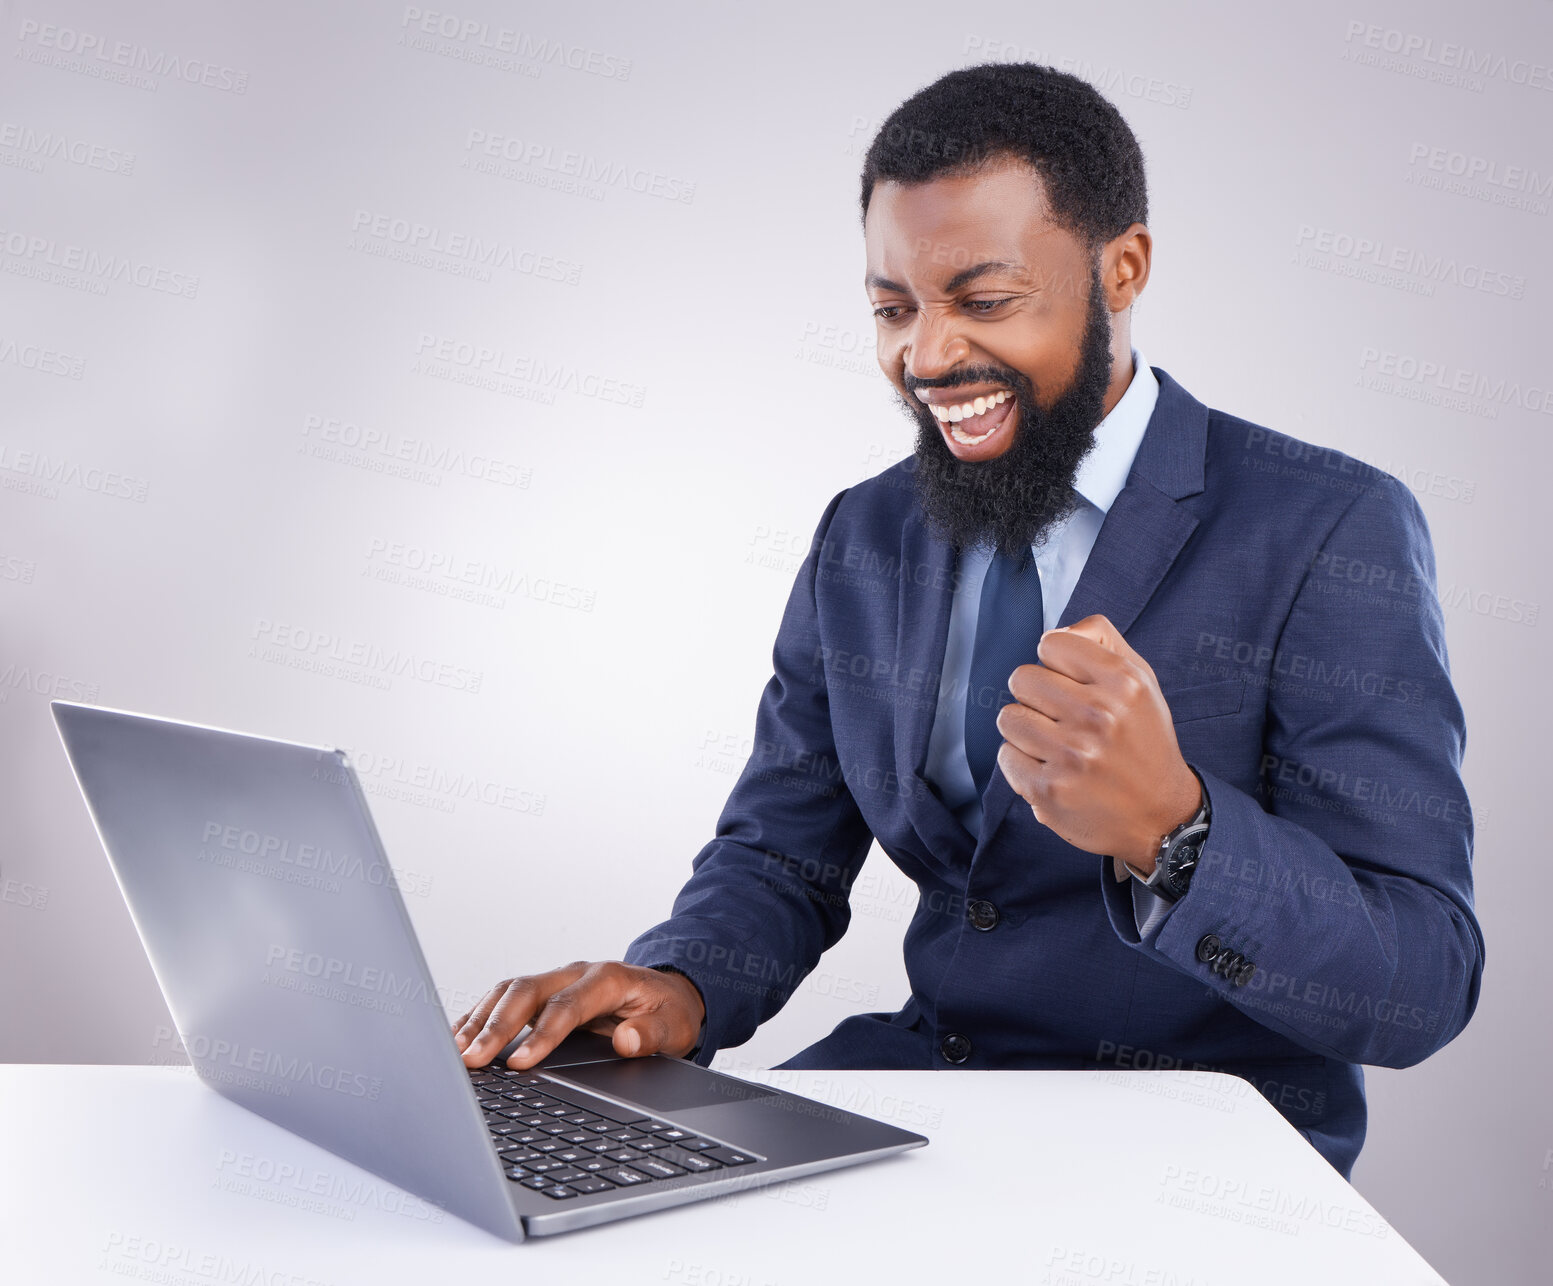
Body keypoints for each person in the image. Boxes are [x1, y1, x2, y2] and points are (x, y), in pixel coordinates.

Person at [452, 62, 1483, 1179]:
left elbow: (1418, 975)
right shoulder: (868, 531)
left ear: (1120, 267)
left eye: (982, 301)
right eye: (892, 308)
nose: (927, 357)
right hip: (927, 1103)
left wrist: (1174, 831)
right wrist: (676, 986)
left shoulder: (1325, 524)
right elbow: (780, 853)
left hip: (1195, 1153)